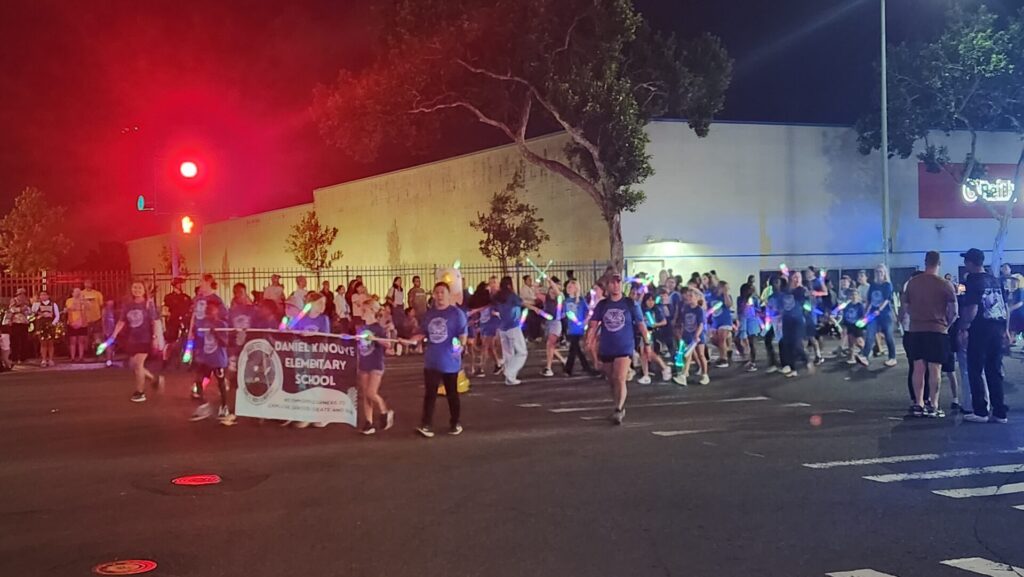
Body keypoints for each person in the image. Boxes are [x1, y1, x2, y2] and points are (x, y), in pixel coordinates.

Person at [587, 272, 650, 424]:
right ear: (607, 286)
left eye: (618, 282)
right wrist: (589, 340)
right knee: (612, 380)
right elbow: (594, 325)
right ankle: (617, 406)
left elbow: (641, 324)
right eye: (612, 283)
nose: (615, 285)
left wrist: (647, 343)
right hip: (607, 348)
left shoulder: (630, 303)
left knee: (620, 378)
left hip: (625, 347)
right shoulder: (602, 305)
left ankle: (619, 409)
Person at [903, 251, 958, 418]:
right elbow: (954, 312)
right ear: (939, 263)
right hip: (937, 330)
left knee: (918, 368)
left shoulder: (912, 283)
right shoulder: (945, 284)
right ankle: (933, 405)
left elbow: (905, 309)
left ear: (925, 262)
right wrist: (946, 326)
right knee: (935, 369)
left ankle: (918, 404)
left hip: (916, 330)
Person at [959, 248, 1010, 424]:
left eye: (966, 261)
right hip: (997, 328)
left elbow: (972, 308)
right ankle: (1000, 412)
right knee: (994, 370)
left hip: (980, 329)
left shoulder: (973, 280)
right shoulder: (994, 280)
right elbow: (1004, 306)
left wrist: (964, 327)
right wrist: (1006, 330)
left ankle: (980, 411)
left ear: (971, 263)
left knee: (975, 369)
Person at [414, 282, 468, 438]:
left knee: (452, 394)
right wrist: (411, 340)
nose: (439, 295)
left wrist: (459, 347)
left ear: (448, 295)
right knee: (430, 394)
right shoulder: (429, 314)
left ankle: (455, 422)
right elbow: (423, 333)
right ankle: (426, 424)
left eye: (442, 292)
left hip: (450, 361)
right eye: (436, 292)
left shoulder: (456, 314)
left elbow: (462, 334)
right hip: (432, 360)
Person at [109, 282, 161, 402]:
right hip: (133, 339)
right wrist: (113, 335)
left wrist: (155, 338)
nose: (136, 290)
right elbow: (121, 321)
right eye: (134, 287)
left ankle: (140, 392)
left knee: (138, 365)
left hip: (145, 339)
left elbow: (154, 322)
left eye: (139, 288)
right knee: (133, 365)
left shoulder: (148, 304)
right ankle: (154, 379)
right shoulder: (128, 305)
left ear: (144, 290)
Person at [188, 299, 231, 424]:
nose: (209, 312)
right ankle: (204, 405)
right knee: (198, 379)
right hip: (206, 358)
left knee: (221, 383)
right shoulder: (203, 324)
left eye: (211, 310)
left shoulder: (222, 325)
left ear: (216, 311)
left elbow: (225, 343)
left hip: (218, 359)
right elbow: (201, 340)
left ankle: (224, 407)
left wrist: (216, 333)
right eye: (207, 310)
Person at [356, 307, 395, 435]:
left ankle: (384, 408)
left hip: (375, 364)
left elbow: (388, 344)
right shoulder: (360, 328)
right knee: (365, 395)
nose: (362, 312)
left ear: (372, 312)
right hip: (363, 363)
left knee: (371, 392)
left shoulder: (378, 328)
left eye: (365, 310)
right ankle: (369, 422)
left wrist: (374, 338)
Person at [855, 264, 898, 368]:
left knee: (888, 335)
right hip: (873, 314)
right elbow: (870, 300)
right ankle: (865, 356)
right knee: (870, 334)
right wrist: (866, 313)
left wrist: (879, 310)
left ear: (884, 273)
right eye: (877, 272)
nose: (879, 274)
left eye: (881, 272)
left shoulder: (887, 285)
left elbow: (887, 299)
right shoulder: (873, 285)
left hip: (885, 313)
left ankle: (892, 357)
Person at [494, 276, 531, 386]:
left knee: (508, 353)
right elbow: (522, 302)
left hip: (503, 327)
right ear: (510, 285)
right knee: (522, 352)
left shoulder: (498, 297)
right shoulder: (511, 296)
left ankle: (510, 378)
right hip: (513, 326)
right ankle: (509, 372)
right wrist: (536, 309)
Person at [673, 287, 707, 386]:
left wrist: (697, 334)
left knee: (701, 355)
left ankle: (705, 374)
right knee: (687, 355)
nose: (688, 298)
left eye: (691, 296)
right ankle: (683, 376)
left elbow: (701, 324)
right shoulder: (685, 309)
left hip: (697, 336)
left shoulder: (699, 310)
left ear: (696, 298)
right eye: (688, 296)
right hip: (688, 335)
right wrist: (682, 335)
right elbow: (684, 323)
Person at [780, 272, 812, 378]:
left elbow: (808, 304)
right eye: (795, 277)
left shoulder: (802, 291)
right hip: (786, 320)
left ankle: (807, 359)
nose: (797, 279)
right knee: (787, 344)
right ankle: (793, 368)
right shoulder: (785, 290)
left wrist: (806, 313)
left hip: (797, 320)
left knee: (796, 344)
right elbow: (782, 304)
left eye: (799, 277)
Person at [563, 279, 596, 377]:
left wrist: (584, 322)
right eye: (567, 287)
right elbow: (567, 314)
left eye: (570, 287)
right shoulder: (566, 301)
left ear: (575, 288)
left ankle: (569, 369)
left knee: (574, 348)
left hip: (579, 329)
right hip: (571, 328)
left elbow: (589, 312)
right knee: (575, 348)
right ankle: (585, 367)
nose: (568, 289)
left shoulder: (581, 301)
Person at [640, 291, 672, 382]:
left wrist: (655, 324)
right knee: (644, 353)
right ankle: (646, 374)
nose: (650, 302)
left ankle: (664, 367)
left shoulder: (656, 309)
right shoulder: (642, 309)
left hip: (651, 333)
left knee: (649, 352)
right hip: (644, 332)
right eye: (648, 300)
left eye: (652, 300)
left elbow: (664, 321)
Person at [163, 277, 192, 369]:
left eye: (180, 283)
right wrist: (167, 318)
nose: (180, 285)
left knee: (186, 341)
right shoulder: (168, 297)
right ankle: (165, 359)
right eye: (178, 283)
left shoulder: (186, 297)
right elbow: (165, 310)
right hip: (173, 321)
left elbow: (190, 309)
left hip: (184, 321)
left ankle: (187, 359)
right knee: (170, 341)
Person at [541, 277, 567, 377]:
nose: (552, 290)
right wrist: (536, 283)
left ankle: (548, 368)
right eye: (550, 289)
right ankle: (563, 360)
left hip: (556, 323)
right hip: (548, 323)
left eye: (553, 289)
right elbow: (535, 292)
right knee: (550, 346)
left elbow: (558, 292)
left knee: (550, 344)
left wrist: (550, 281)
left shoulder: (560, 297)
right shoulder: (547, 298)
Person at [708, 281, 734, 368]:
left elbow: (729, 305)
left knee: (722, 339)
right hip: (715, 321)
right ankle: (725, 352)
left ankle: (724, 359)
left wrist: (726, 293)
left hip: (725, 321)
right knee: (714, 340)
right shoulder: (712, 296)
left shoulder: (726, 296)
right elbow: (709, 308)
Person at [31, 290, 60, 367]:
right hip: (41, 325)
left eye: (44, 295)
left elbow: (57, 315)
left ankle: (50, 359)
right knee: (43, 343)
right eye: (41, 295)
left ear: (48, 296)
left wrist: (53, 323)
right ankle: (43, 359)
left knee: (50, 343)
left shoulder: (53, 304)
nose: (43, 296)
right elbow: (33, 313)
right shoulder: (37, 304)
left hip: (50, 325)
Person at [737, 283, 761, 372]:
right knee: (738, 339)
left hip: (752, 320)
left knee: (751, 342)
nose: (752, 290)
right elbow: (740, 309)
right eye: (750, 289)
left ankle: (752, 362)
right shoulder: (740, 299)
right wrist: (746, 302)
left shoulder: (754, 299)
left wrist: (754, 308)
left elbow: (758, 309)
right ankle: (744, 356)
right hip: (743, 319)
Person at [5, 289, 31, 364]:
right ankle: (14, 357)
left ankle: (23, 358)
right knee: (15, 341)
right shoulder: (14, 300)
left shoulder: (26, 301)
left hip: (24, 323)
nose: (22, 295)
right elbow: (11, 309)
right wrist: (20, 309)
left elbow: (29, 311)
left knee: (24, 341)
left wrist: (27, 310)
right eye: (20, 294)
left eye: (23, 294)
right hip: (15, 322)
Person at [81, 279, 104, 352]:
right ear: (84, 284)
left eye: (89, 283)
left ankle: (98, 352)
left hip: (96, 318)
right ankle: (86, 352)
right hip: (85, 319)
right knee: (85, 336)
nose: (88, 284)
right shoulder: (81, 294)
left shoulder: (97, 294)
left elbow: (101, 306)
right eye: (86, 283)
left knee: (97, 336)